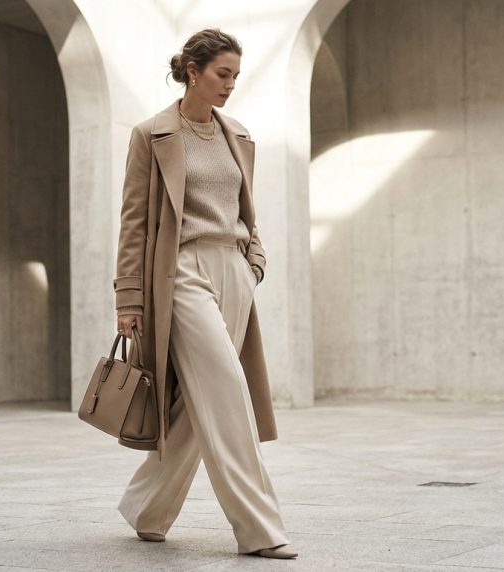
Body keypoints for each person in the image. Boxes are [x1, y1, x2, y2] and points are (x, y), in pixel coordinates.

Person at [112, 28, 298, 560]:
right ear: (192, 71)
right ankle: (259, 527)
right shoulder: (152, 135)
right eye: (222, 73)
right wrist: (129, 298)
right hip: (181, 272)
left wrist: (254, 261)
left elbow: (245, 210)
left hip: (234, 270)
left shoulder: (237, 135)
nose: (231, 84)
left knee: (199, 403)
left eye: (236, 75)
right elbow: (134, 223)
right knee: (227, 390)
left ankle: (146, 509)